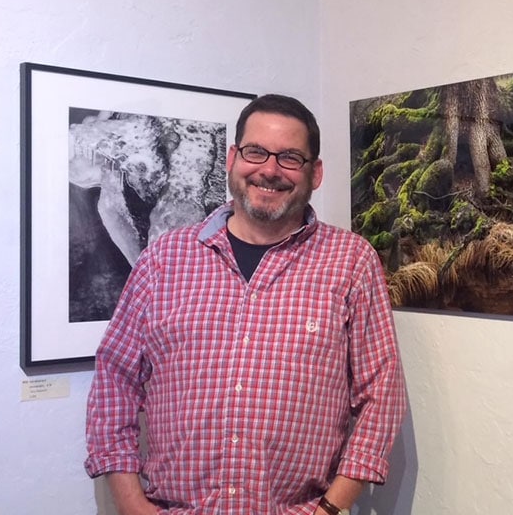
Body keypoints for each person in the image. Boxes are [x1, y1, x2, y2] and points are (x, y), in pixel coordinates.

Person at [85, 94, 407, 515]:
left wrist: (332, 508)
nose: (269, 170)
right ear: (233, 158)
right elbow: (115, 380)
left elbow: (381, 394)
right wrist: (132, 506)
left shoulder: (351, 262)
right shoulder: (165, 259)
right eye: (256, 152)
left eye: (291, 157)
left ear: (316, 172)